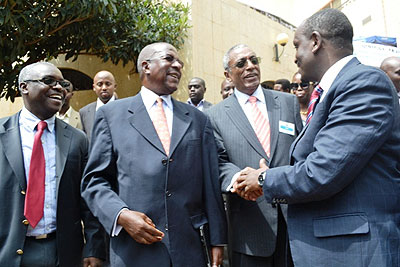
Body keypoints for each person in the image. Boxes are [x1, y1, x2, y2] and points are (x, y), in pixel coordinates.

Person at [234, 9, 400, 266]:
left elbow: (324, 170)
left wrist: (265, 179)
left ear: (315, 41)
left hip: (354, 252)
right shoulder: (332, 90)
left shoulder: (363, 83)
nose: (294, 58)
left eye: (297, 46)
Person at [81, 42, 227, 267]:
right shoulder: (112, 116)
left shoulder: (198, 120)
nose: (178, 65)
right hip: (134, 251)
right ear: (146, 66)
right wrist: (122, 216)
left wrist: (217, 239)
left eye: (179, 61)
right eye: (169, 59)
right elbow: (94, 182)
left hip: (188, 250)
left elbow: (210, 183)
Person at [206, 44, 302, 267]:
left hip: (294, 224)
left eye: (254, 60)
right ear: (228, 75)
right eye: (241, 63)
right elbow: (218, 163)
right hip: (250, 229)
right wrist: (243, 180)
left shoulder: (287, 103)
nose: (250, 66)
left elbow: (301, 151)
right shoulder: (215, 116)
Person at [0, 62, 105, 266]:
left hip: (63, 253)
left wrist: (94, 246)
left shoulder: (77, 139)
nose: (59, 88)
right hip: (8, 251)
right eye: (49, 81)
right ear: (24, 87)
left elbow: (89, 199)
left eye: (62, 83)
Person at [79, 70, 117, 141]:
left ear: (115, 86)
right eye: (99, 84)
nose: (104, 88)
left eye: (108, 84)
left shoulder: (126, 109)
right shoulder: (84, 112)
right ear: (94, 87)